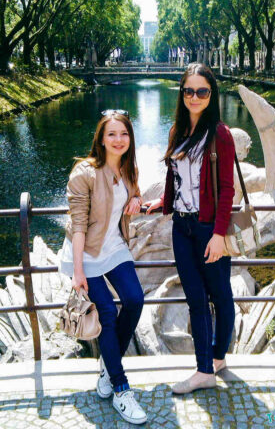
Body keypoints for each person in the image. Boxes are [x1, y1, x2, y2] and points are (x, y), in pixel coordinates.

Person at [145, 63, 235, 394]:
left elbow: (227, 189)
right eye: (188, 91)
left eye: (202, 91)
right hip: (181, 227)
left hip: (209, 227)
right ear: (181, 93)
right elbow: (175, 177)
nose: (194, 97)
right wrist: (164, 203)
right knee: (196, 299)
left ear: (212, 95)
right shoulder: (178, 132)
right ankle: (204, 369)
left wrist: (219, 234)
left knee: (221, 295)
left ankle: (218, 356)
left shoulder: (220, 134)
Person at [59, 110, 147, 424]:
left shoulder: (128, 167)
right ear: (101, 138)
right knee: (107, 313)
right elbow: (78, 224)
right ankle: (121, 389)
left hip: (113, 248)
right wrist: (79, 272)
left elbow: (131, 195)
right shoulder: (84, 173)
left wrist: (136, 200)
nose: (118, 140)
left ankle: (108, 366)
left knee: (136, 300)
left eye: (123, 134)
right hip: (85, 254)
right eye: (111, 134)